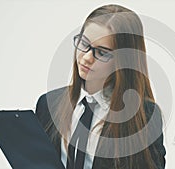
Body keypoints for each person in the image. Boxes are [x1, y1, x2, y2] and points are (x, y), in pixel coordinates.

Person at [35, 4, 166, 169]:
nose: (87, 57)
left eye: (102, 52)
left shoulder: (144, 116)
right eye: (84, 43)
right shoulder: (49, 104)